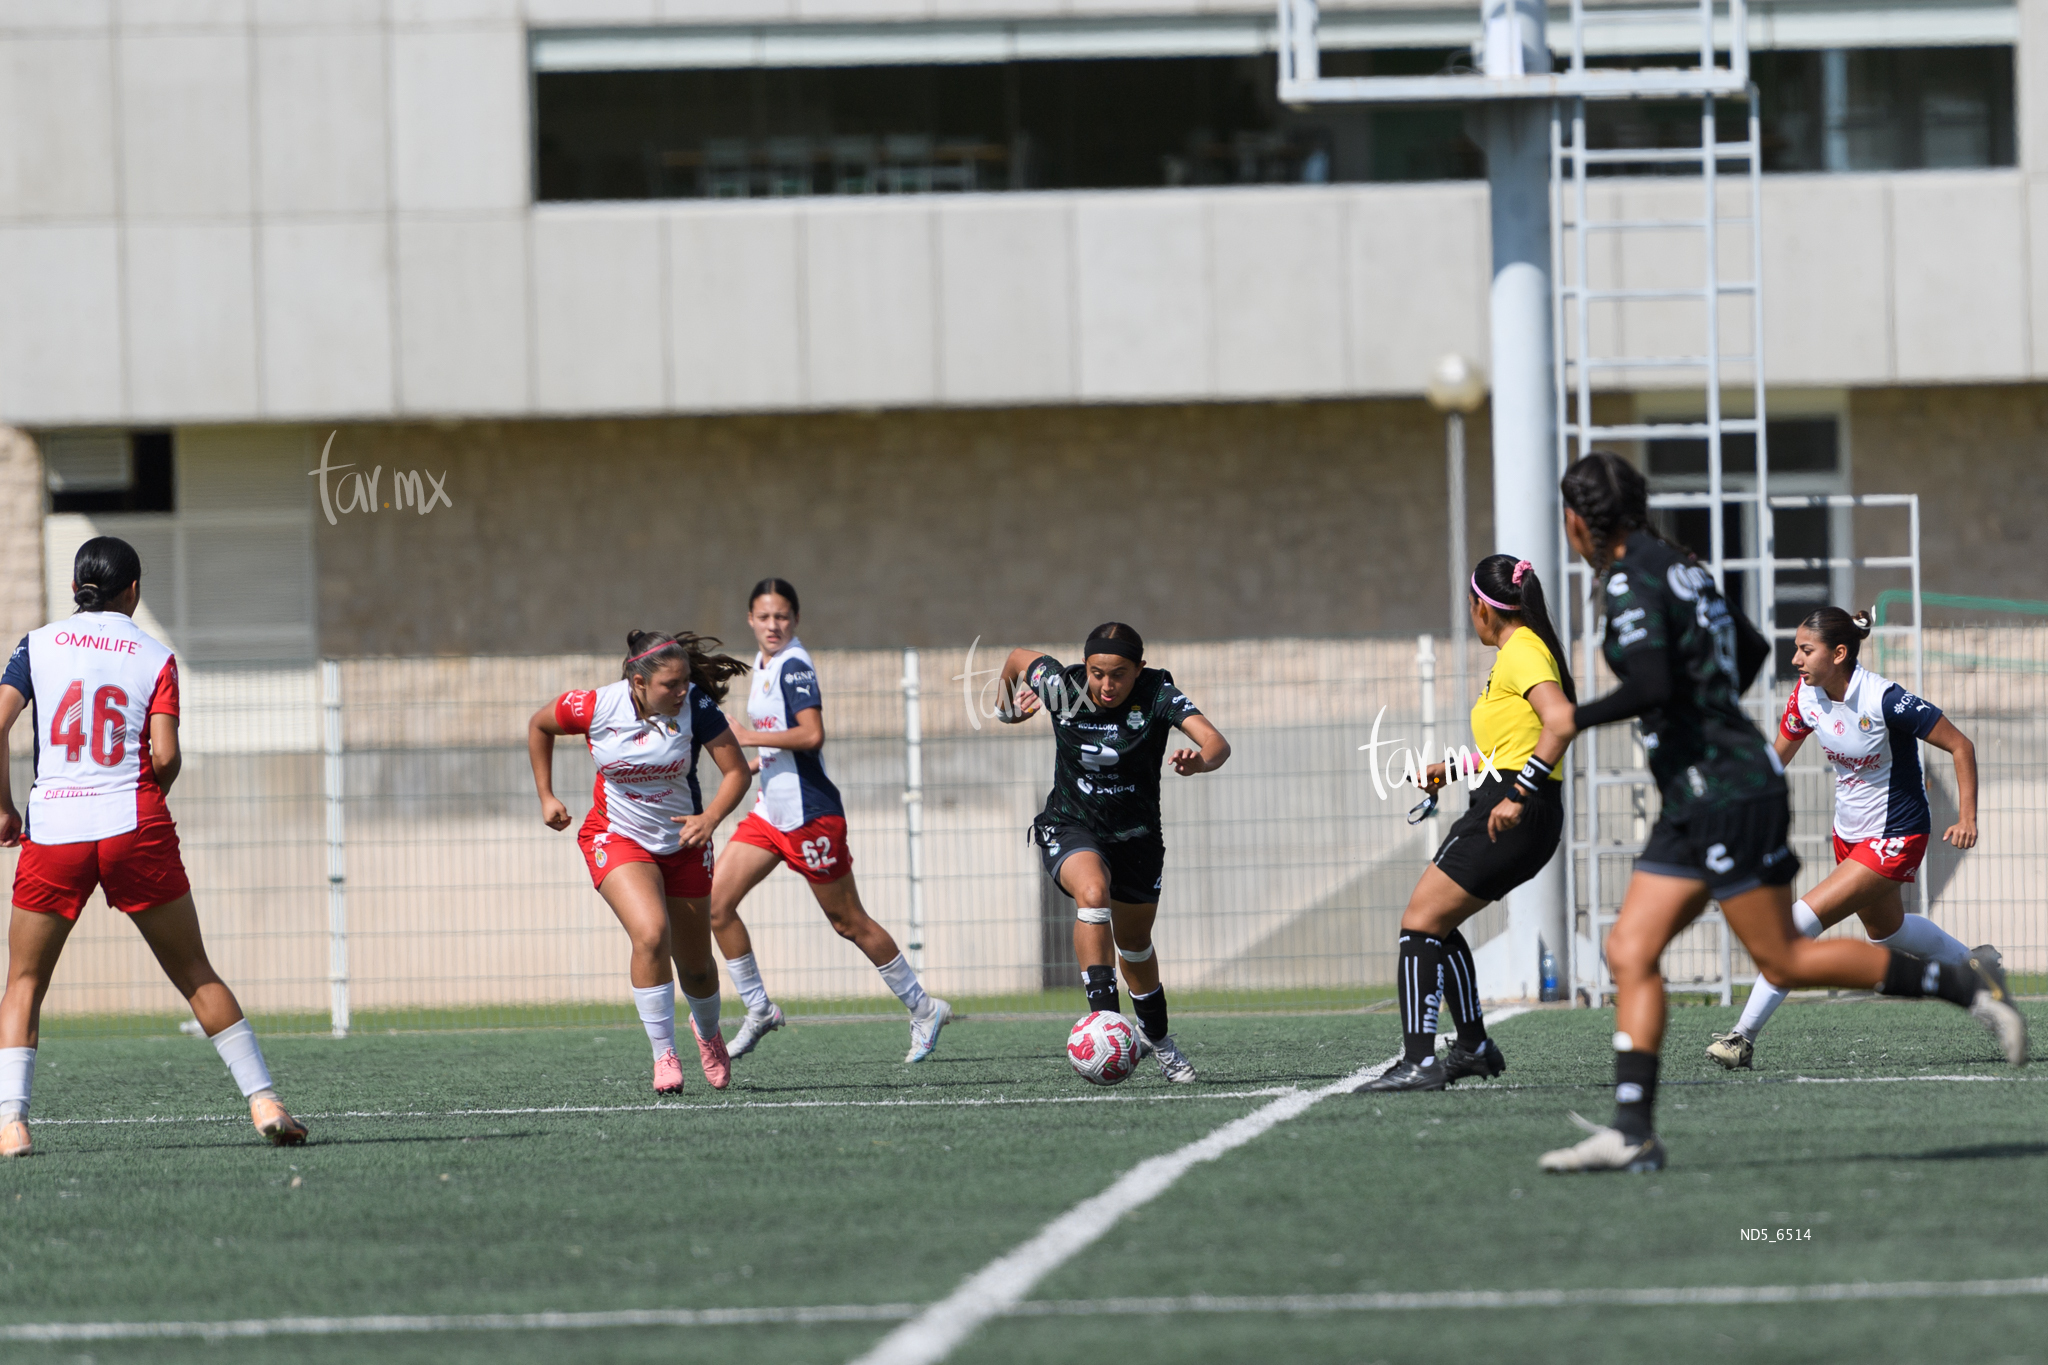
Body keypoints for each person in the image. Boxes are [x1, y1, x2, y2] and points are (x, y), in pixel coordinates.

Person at [1539, 453, 2024, 1175]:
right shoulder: (1681, 566)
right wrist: (1701, 704)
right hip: (1707, 788)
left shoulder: (1632, 578)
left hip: (1729, 790)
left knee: (1786, 949)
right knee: (1630, 950)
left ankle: (1958, 985)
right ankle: (1632, 1130)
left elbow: (1651, 680)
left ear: (1579, 521)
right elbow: (1750, 649)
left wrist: (1571, 720)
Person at [0, 537, 309, 1158]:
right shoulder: (156, 654)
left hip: (55, 827)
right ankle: (265, 1101)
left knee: (25, 979)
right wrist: (146, 805)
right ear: (134, 591)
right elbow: (164, 755)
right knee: (194, 971)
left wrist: (6, 807)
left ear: (74, 590)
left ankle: (12, 1125)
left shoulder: (37, 644)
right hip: (132, 822)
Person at [1706, 606, 1994, 1068]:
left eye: (1805, 650)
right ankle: (1976, 969)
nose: (1796, 660)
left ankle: (1742, 1038)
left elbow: (1961, 745)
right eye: (1796, 650)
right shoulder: (1806, 695)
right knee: (1888, 932)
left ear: (1839, 653)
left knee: (1794, 926)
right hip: (1850, 835)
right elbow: (1774, 762)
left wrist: (1967, 818)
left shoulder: (1883, 698)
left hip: (1896, 834)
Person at [707, 580, 950, 1064]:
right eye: (764, 616)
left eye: (782, 617)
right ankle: (759, 1009)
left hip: (810, 817)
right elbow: (782, 738)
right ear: (750, 620)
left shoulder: (794, 664)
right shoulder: (762, 664)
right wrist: (762, 761)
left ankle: (924, 1008)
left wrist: (748, 738)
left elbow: (812, 734)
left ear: (794, 619)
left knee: (848, 922)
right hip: (769, 812)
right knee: (716, 905)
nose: (773, 625)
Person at [1360, 554, 1576, 1092]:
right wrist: (1450, 768)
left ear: (1483, 607)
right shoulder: (1520, 650)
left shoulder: (1522, 651)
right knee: (1438, 922)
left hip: (1514, 809)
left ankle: (1419, 1061)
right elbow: (1511, 744)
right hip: (1513, 804)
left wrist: (1519, 792)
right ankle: (1474, 1046)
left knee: (1418, 922)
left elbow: (1560, 722)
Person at [996, 623, 1231, 1083]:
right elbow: (1018, 657)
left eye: (1119, 674)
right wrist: (1007, 710)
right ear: (1085, 668)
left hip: (1137, 837)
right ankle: (1106, 1022)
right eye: (1097, 673)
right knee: (1092, 890)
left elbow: (1217, 744)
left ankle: (1158, 1039)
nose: (1107, 685)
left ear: (1138, 669)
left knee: (1136, 947)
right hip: (1071, 824)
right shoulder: (1062, 687)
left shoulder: (1158, 694)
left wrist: (1198, 762)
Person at [528, 631, 752, 1093]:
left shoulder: (698, 710)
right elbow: (539, 725)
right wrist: (546, 795)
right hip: (616, 836)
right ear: (637, 682)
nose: (682, 691)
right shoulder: (593, 705)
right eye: (670, 684)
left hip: (683, 841)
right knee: (651, 933)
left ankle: (709, 1035)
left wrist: (710, 818)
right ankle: (663, 1055)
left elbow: (738, 772)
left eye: (685, 681)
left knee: (695, 967)